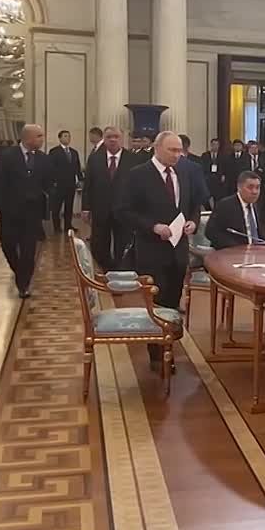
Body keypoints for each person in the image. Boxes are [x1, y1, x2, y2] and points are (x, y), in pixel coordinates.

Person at [116, 131, 200, 370]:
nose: (177, 155)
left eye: (180, 150)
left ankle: (168, 345)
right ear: (157, 148)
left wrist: (193, 221)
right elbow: (123, 211)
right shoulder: (138, 175)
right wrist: (153, 226)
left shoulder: (183, 172)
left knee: (172, 302)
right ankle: (158, 355)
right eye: (172, 150)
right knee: (158, 303)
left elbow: (193, 204)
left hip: (178, 249)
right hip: (152, 250)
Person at [0, 124, 53, 298]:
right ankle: (19, 271)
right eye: (39, 136)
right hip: (10, 211)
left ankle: (23, 285)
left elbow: (49, 183)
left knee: (28, 250)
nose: (42, 139)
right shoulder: (8, 156)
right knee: (7, 244)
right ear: (27, 138)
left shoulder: (43, 159)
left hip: (32, 213)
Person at [82, 126, 133, 270]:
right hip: (100, 208)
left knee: (123, 243)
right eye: (109, 137)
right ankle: (107, 269)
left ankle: (120, 270)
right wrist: (86, 208)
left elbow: (138, 186)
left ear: (122, 139)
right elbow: (88, 184)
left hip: (124, 210)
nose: (113, 140)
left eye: (116, 137)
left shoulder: (133, 159)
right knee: (99, 245)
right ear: (104, 139)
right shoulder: (95, 158)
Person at [206, 171, 265, 249]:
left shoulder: (255, 205)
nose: (255, 192)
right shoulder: (225, 205)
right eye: (250, 187)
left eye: (257, 187)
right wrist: (236, 247)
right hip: (233, 251)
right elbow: (211, 232)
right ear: (239, 187)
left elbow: (258, 234)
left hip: (256, 251)